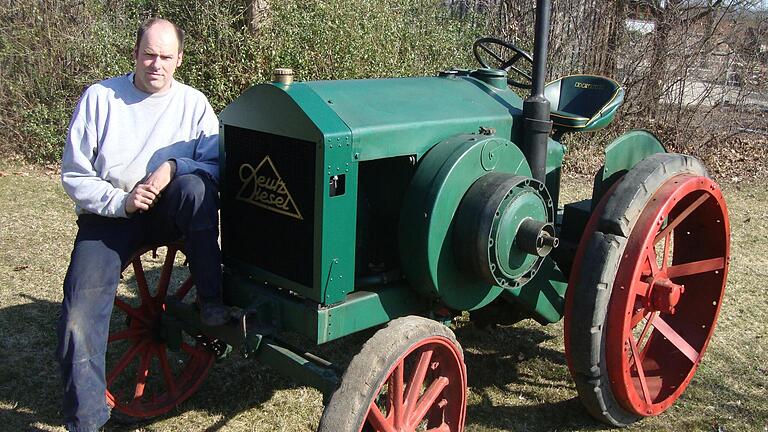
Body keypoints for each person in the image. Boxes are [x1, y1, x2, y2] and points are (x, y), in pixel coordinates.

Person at [56, 17, 230, 432]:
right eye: (149, 54)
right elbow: (75, 174)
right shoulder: (101, 98)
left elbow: (217, 166)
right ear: (135, 54)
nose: (156, 64)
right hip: (109, 219)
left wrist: (173, 166)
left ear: (179, 59)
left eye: (166, 57)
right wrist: (121, 200)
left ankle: (213, 303)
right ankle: (88, 422)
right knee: (78, 316)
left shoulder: (193, 104)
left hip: (170, 213)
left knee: (194, 187)